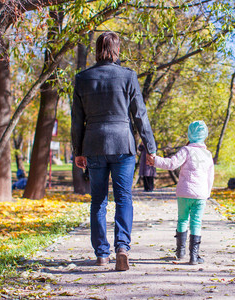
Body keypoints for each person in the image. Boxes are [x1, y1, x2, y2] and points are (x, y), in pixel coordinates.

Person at [71, 31, 156, 271]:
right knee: (123, 198)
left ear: (98, 49)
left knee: (98, 200)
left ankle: (101, 254)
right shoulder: (127, 76)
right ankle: (122, 248)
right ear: (117, 49)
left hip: (94, 144)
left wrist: (78, 150)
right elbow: (140, 114)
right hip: (123, 144)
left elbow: (77, 120)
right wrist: (150, 147)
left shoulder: (83, 78)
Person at [148, 120, 214, 265]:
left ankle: (180, 252)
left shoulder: (186, 150)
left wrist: (155, 161)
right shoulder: (208, 155)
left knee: (182, 219)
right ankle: (194, 256)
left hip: (184, 192)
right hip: (200, 195)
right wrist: (206, 193)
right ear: (205, 135)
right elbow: (210, 177)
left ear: (189, 134)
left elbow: (171, 164)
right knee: (196, 222)